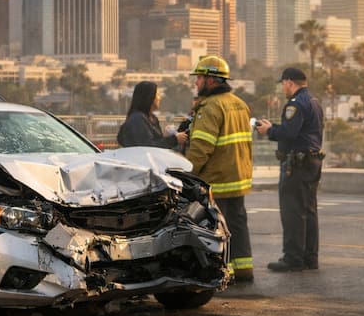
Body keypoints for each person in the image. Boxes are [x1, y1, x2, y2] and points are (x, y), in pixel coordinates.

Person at [185, 55, 255, 283]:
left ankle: (227, 273)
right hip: (239, 177)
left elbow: (201, 147)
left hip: (218, 179)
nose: (196, 82)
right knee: (238, 224)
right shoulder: (239, 103)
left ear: (212, 80)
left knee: (218, 228)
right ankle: (244, 270)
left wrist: (187, 174)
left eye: (200, 78)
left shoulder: (211, 107)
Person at [256, 67, 324, 272]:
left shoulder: (295, 104)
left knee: (292, 211)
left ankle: (293, 258)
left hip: (296, 164)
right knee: (309, 211)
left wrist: (269, 130)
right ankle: (310, 258)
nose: (283, 88)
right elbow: (300, 130)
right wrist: (275, 127)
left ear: (289, 82)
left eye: (283, 84)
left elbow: (289, 133)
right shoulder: (313, 101)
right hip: (312, 161)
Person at [117, 81, 188, 149]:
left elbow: (155, 142)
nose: (159, 98)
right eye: (157, 94)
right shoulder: (137, 119)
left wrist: (165, 137)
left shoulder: (152, 118)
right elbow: (147, 146)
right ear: (149, 97)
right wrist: (174, 140)